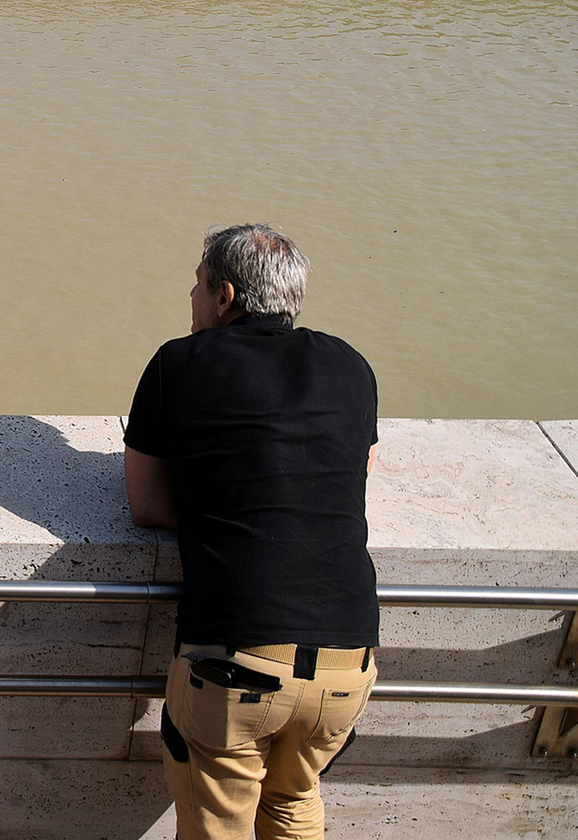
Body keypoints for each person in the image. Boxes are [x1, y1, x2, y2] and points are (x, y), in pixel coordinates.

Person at [122, 224, 379, 840]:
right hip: (349, 661)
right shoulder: (351, 365)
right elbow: (351, 479)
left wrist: (226, 504)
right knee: (294, 804)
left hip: (236, 659)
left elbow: (149, 504)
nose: (190, 294)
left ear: (224, 296)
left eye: (197, 282)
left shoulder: (179, 362)